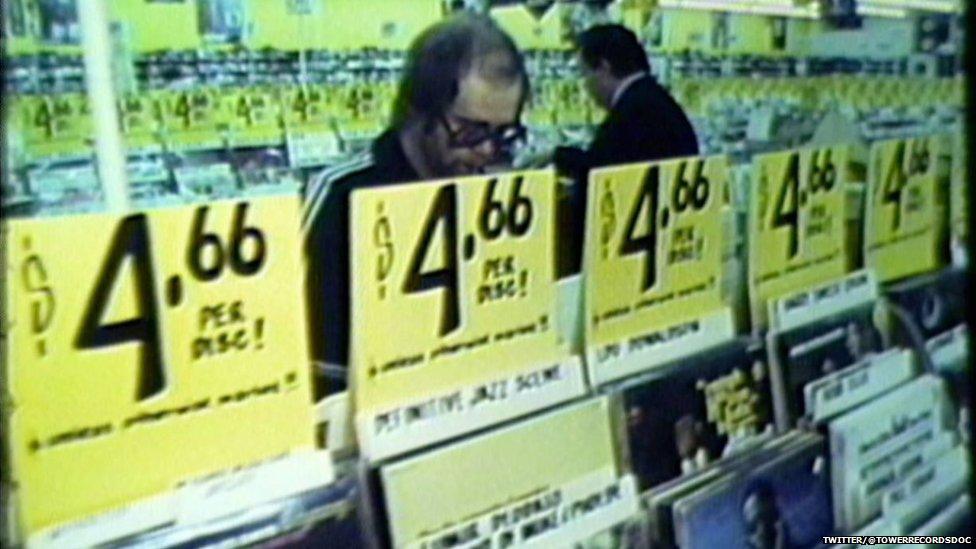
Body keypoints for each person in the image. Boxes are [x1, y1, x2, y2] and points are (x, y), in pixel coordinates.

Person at [302, 14, 528, 379]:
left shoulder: (495, 194)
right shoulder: (341, 196)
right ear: (418, 110)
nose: (487, 151)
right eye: (469, 131)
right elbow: (311, 358)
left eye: (505, 134)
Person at [554, 24, 698, 271]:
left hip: (632, 260)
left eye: (585, 74)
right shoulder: (653, 100)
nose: (585, 87)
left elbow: (604, 172)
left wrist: (558, 157)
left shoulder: (636, 110)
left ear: (604, 68)